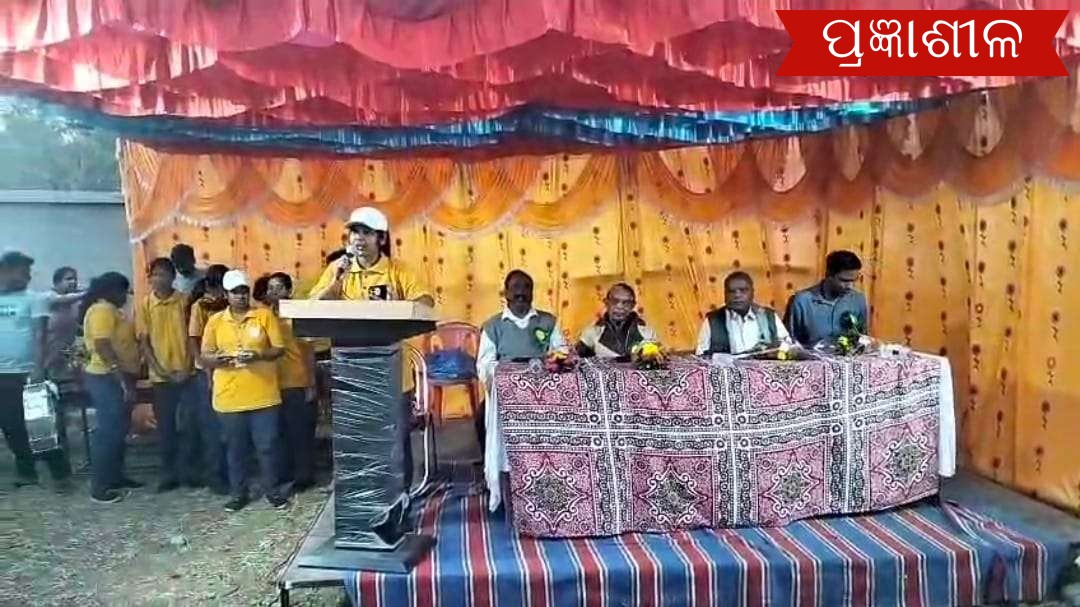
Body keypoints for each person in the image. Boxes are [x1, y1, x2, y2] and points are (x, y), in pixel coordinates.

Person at [200, 270, 289, 512]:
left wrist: (258, 354)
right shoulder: (216, 321)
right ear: (226, 295)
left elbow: (279, 349)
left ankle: (273, 491)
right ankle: (238, 493)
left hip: (263, 395)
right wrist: (217, 360)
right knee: (235, 449)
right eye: (235, 292)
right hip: (229, 396)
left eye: (244, 291)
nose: (240, 296)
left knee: (267, 446)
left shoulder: (263, 315)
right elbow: (205, 355)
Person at [477, 270, 567, 510]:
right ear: (505, 293)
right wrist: (507, 375)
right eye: (515, 288)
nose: (521, 293)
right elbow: (484, 365)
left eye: (526, 287)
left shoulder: (548, 321)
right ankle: (499, 482)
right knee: (481, 417)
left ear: (532, 292)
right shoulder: (493, 326)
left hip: (544, 395)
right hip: (506, 397)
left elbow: (561, 352)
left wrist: (553, 362)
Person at [0, 251, 71, 489]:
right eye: (23, 271)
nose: (28, 276)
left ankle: (60, 473)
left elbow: (41, 335)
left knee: (41, 424)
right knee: (11, 424)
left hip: (29, 371)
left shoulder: (34, 299)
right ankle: (26, 471)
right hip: (2, 374)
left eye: (28, 271)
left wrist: (39, 368)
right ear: (5, 271)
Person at [136, 257, 198, 492]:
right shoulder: (145, 305)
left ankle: (189, 471)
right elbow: (144, 343)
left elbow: (193, 337)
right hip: (161, 378)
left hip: (188, 374)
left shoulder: (185, 301)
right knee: (166, 427)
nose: (158, 279)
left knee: (190, 425)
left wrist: (188, 367)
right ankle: (168, 474)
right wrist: (160, 370)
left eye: (163, 274)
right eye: (154, 275)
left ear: (172, 277)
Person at [82, 272, 142, 503]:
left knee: (120, 430)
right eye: (123, 292)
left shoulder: (112, 311)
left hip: (118, 376)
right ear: (112, 291)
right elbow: (102, 345)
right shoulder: (102, 310)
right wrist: (121, 378)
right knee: (109, 432)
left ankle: (115, 476)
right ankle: (100, 486)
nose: (125, 297)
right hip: (107, 377)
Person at [308, 207, 434, 306]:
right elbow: (312, 305)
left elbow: (426, 302)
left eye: (367, 232)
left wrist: (398, 306)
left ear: (382, 239)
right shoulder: (337, 267)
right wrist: (336, 283)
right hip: (345, 332)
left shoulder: (399, 270)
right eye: (355, 232)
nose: (359, 238)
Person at [261, 272, 317, 491]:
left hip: (296, 381)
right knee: (279, 433)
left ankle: (304, 476)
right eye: (270, 288)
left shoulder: (298, 315)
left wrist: (311, 383)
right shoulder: (264, 316)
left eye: (279, 288)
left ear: (289, 290)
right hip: (271, 383)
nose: (273, 292)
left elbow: (308, 351)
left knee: (299, 433)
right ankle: (285, 473)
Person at [186, 264, 229, 492]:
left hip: (229, 370)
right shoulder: (200, 306)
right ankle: (215, 476)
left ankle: (230, 473)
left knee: (228, 427)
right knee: (212, 428)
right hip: (207, 373)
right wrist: (205, 368)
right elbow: (194, 339)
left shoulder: (230, 305)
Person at [784, 250, 870, 347]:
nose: (850, 286)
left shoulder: (858, 300)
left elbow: (862, 340)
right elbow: (788, 344)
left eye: (854, 280)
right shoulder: (802, 302)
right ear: (829, 275)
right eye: (844, 281)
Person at [697, 271, 792, 355]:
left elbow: (787, 346)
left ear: (752, 293)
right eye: (731, 291)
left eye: (743, 290)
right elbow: (701, 356)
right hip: (726, 370)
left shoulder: (769, 316)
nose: (737, 295)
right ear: (725, 294)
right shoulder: (713, 320)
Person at [576, 282, 659, 359]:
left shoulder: (647, 334)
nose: (620, 306)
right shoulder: (591, 334)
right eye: (614, 301)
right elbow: (579, 362)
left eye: (626, 303)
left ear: (633, 305)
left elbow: (656, 363)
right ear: (606, 303)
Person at [43, 266, 85, 379]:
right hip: (50, 348)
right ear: (57, 282)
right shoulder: (48, 296)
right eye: (69, 279)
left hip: (68, 347)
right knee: (48, 377)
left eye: (75, 279)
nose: (73, 282)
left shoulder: (75, 303)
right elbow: (62, 299)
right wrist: (88, 293)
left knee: (83, 367)